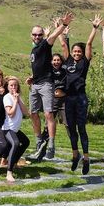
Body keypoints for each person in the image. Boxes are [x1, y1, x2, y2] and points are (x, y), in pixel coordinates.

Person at [26, 12, 73, 162]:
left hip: (46, 84)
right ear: (31, 36)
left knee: (48, 114)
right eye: (35, 35)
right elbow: (39, 66)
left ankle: (51, 144)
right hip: (35, 84)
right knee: (33, 113)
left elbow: (53, 35)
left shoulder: (46, 45)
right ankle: (39, 141)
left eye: (40, 35)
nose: (37, 37)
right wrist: (33, 77)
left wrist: (63, 25)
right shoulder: (34, 50)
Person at [60, 15, 102, 175]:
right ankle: (75, 155)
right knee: (71, 129)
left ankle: (86, 158)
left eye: (79, 51)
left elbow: (89, 43)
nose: (77, 53)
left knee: (81, 129)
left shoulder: (85, 62)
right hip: (68, 99)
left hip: (80, 99)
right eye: (75, 51)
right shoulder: (68, 61)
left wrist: (94, 28)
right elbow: (63, 43)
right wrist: (63, 29)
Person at [2, 76, 30, 183]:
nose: (14, 87)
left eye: (15, 85)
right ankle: (9, 172)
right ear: (8, 87)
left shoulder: (18, 97)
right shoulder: (7, 97)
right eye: (11, 85)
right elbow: (10, 113)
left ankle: (13, 162)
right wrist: (14, 101)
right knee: (16, 143)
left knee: (26, 142)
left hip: (15, 129)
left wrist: (18, 100)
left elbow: (26, 112)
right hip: (8, 128)